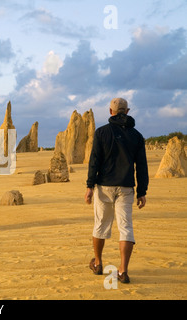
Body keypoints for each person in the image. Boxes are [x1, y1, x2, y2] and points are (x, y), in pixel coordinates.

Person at [85, 98, 149, 283]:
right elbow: (142, 166)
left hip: (104, 186)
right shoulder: (137, 136)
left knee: (100, 225)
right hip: (126, 188)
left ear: (110, 111)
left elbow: (94, 161)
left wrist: (90, 186)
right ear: (127, 111)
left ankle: (98, 263)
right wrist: (142, 191)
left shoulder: (101, 132)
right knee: (126, 227)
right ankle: (123, 271)